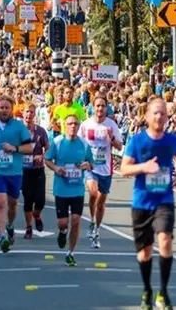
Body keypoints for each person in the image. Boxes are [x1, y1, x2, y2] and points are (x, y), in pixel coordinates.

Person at [120, 99, 176, 310]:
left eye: (163, 114)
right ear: (147, 116)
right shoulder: (137, 141)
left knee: (165, 240)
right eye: (155, 113)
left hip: (164, 200)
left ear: (167, 117)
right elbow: (124, 169)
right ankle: (147, 290)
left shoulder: (172, 140)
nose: (159, 117)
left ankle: (163, 292)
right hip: (142, 202)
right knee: (145, 252)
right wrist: (143, 167)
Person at [0, 95, 33, 253]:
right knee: (0, 202)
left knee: (12, 204)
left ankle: (10, 225)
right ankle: (2, 237)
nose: (3, 110)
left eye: (6, 108)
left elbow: (29, 148)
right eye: (1, 108)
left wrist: (14, 148)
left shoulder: (19, 127)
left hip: (15, 172)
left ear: (11, 109)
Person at [44, 114, 94, 267]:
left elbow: (91, 163)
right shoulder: (58, 143)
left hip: (77, 189)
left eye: (76, 124)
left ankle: (71, 253)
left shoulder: (84, 145)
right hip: (61, 189)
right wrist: (57, 168)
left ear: (79, 127)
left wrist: (87, 165)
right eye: (70, 124)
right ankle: (62, 232)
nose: (73, 126)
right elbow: (47, 160)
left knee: (77, 221)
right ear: (65, 126)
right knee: (63, 223)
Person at [79, 94, 123, 249]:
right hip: (90, 167)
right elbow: (79, 143)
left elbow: (119, 147)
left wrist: (112, 139)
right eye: (97, 105)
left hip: (105, 168)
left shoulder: (111, 125)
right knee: (93, 193)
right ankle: (91, 219)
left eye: (103, 106)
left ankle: (97, 227)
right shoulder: (86, 124)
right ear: (92, 107)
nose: (100, 108)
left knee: (101, 201)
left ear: (106, 108)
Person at [21, 103, 49, 239]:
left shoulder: (41, 132)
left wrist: (42, 156)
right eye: (27, 112)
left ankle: (37, 214)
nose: (29, 115)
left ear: (35, 115)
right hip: (24, 170)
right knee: (28, 199)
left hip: (38, 169)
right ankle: (28, 227)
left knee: (40, 201)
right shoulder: (18, 131)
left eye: (32, 112)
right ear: (23, 113)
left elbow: (48, 149)